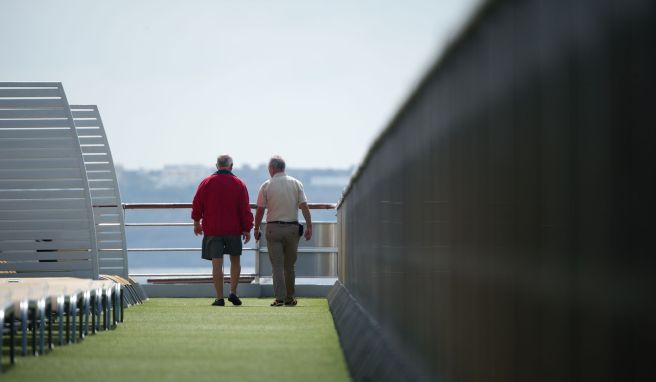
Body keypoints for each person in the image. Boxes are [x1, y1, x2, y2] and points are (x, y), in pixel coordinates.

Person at [192, 154, 253, 306]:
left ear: (216, 165)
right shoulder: (239, 184)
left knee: (217, 263)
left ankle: (219, 298)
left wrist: (196, 222)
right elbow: (245, 209)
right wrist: (247, 229)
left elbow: (197, 203)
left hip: (213, 229)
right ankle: (233, 292)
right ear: (231, 166)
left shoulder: (206, 183)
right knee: (235, 259)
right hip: (233, 228)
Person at [254, 155, 312, 307]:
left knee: (277, 266)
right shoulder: (296, 183)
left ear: (272, 168)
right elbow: (304, 206)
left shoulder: (266, 185)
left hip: (273, 228)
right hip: (292, 229)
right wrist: (309, 226)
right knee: (289, 266)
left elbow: (260, 210)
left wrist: (256, 228)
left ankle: (279, 298)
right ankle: (290, 298)